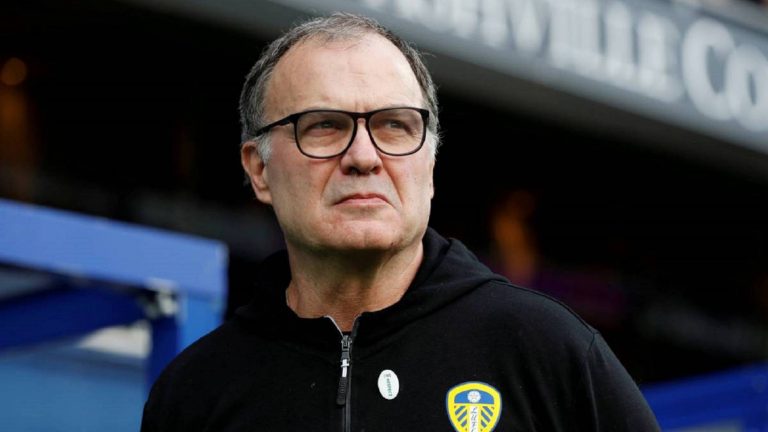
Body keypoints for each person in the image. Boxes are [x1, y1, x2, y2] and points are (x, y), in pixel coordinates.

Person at [141, 12, 660, 431]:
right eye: (324, 126)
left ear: (429, 166)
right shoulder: (195, 392)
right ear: (259, 170)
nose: (364, 157)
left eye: (394, 125)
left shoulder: (546, 349)